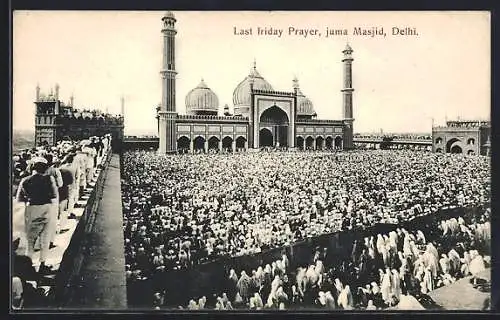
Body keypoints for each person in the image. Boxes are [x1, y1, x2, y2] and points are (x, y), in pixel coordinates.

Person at [16, 157, 58, 275]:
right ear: (44, 168)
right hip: (46, 208)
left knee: (30, 241)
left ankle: (28, 267)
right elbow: (54, 195)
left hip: (31, 209)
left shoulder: (24, 180)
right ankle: (42, 265)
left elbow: (19, 199)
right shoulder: (49, 179)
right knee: (45, 240)